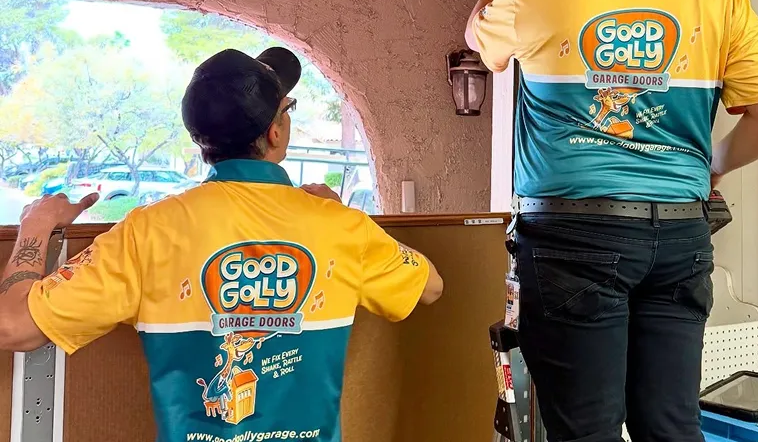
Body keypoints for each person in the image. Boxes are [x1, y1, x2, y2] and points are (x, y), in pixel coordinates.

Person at [465, 0, 758, 440]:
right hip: (680, 236)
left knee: (587, 431)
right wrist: (712, 166)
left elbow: (478, 41)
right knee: (671, 427)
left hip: (574, 240)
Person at [0, 47, 443, 442]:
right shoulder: (341, 228)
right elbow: (430, 286)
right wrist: (351, 219)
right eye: (287, 108)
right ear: (275, 132)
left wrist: (36, 224)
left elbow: (12, 326)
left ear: (200, 143)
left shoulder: (149, 232)